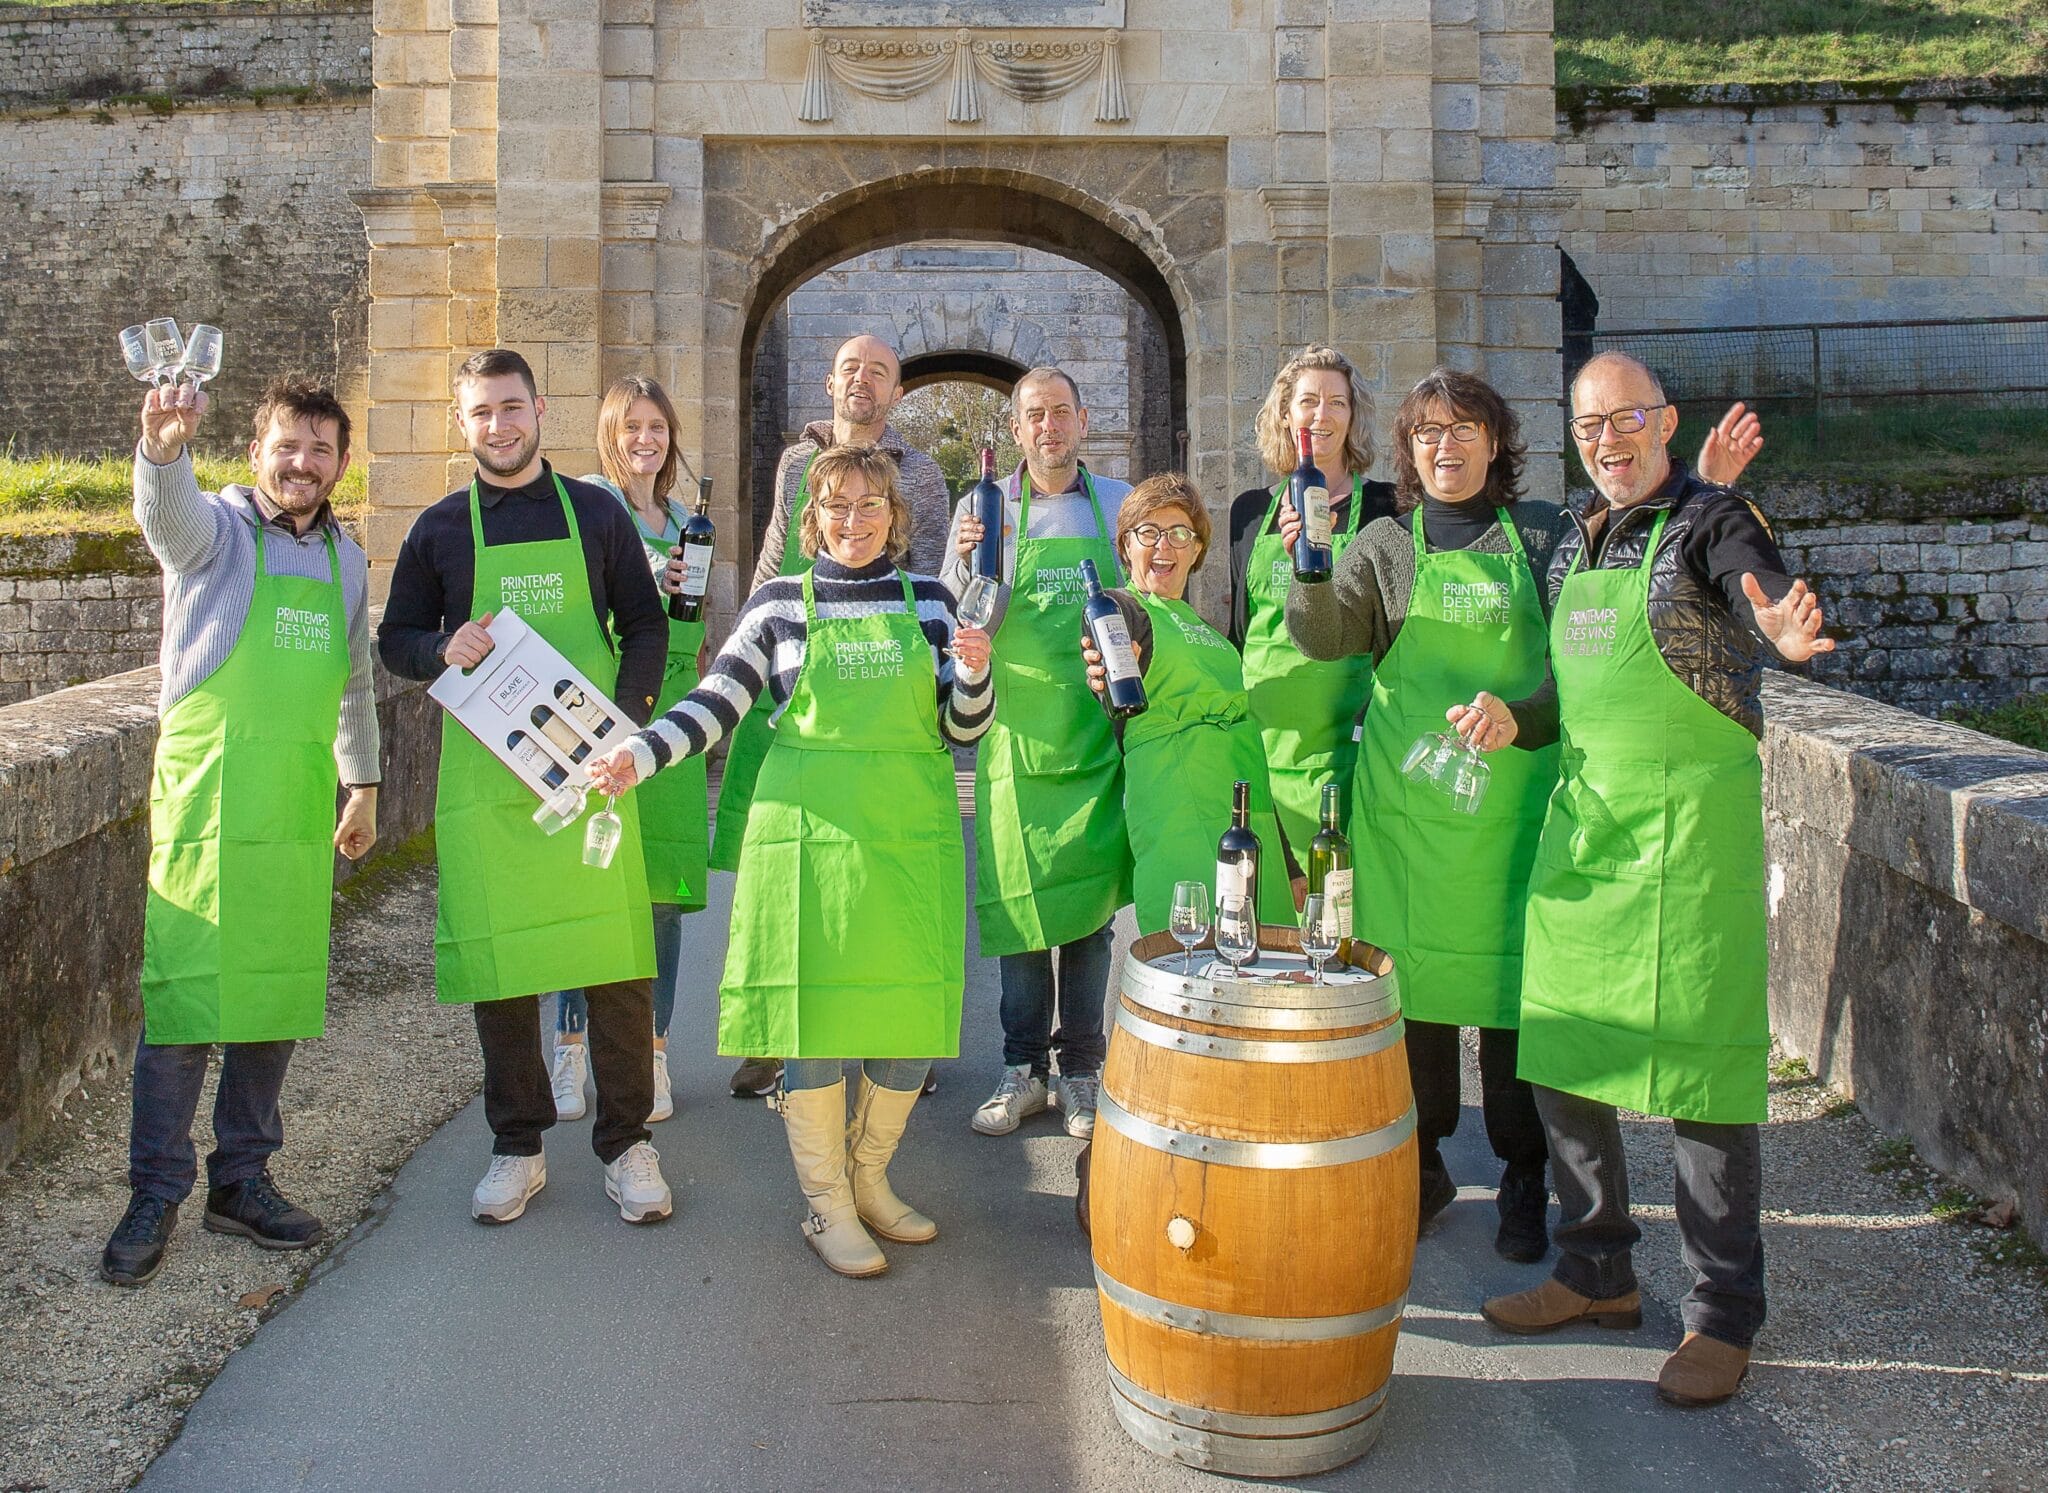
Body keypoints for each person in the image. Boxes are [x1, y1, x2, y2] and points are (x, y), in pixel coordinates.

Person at [1459, 351, 1832, 1409]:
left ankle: (1720, 1313)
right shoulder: (1573, 538)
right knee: (1559, 1051)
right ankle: (1594, 1271)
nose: (1606, 438)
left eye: (1624, 418)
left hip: (1685, 843)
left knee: (1702, 1081)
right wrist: (1510, 717)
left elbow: (1750, 580)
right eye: (1587, 424)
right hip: (1586, 832)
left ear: (1663, 421)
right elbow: (1557, 694)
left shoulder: (1710, 520)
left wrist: (1773, 621)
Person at [587, 445, 994, 1278]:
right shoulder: (779, 603)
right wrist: (643, 751)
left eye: (869, 503)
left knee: (909, 1021)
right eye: (836, 505)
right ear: (812, 517)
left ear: (895, 515)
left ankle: (870, 1177)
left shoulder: (931, 600)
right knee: (814, 1023)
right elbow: (718, 698)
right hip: (806, 845)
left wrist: (976, 676)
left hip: (907, 846)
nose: (853, 519)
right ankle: (827, 1202)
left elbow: (963, 730)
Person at [378, 348, 674, 1227]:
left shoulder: (596, 514)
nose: (499, 426)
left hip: (590, 772)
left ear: (540, 408)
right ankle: (518, 1145)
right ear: (461, 421)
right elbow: (396, 639)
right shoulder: (436, 529)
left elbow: (646, 625)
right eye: (481, 413)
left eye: (512, 407)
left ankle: (627, 1144)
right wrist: (440, 649)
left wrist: (626, 728)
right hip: (487, 787)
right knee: (501, 967)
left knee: (615, 962)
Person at [102, 375, 380, 1287]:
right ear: (258, 451)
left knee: (272, 998)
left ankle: (242, 1178)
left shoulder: (346, 561)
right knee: (183, 1003)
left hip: (296, 808)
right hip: (208, 804)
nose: (303, 464)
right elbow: (166, 521)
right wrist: (163, 451)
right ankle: (155, 1190)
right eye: (287, 446)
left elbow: (354, 685)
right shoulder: (217, 533)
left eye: (321, 450)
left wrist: (364, 783)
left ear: (341, 463)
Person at [1284, 368, 1567, 1263]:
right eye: (1428, 434)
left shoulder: (1545, 533)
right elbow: (1326, 637)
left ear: (1496, 442)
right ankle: (1423, 1162)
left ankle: (1528, 1174)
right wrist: (1307, 565)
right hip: (1408, 813)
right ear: (1407, 452)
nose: (1447, 448)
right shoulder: (1383, 542)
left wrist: (1525, 715)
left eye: (1465, 429)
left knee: (1516, 997)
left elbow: (1586, 668)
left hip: (1513, 810)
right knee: (1418, 999)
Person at [715, 333, 952, 1100]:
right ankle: (779, 1031)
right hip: (794, 656)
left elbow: (929, 573)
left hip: (880, 667)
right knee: (780, 862)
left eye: (879, 372)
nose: (863, 381)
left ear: (897, 393)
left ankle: (893, 1036)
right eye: (852, 367)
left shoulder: (922, 472)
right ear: (831, 382)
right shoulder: (795, 464)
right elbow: (775, 555)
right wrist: (751, 628)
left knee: (880, 873)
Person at [942, 366, 1134, 1142]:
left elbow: (1150, 594)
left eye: (1061, 412)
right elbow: (963, 611)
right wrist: (962, 560)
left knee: (1087, 917)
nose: (1049, 426)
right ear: (1015, 431)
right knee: (1018, 911)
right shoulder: (980, 508)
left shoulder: (1118, 505)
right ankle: (1021, 1067)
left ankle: (1082, 1069)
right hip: (1015, 739)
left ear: (1082, 421)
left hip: (1094, 738)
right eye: (1034, 416)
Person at [546, 377, 709, 1127]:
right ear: (609, 433)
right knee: (594, 886)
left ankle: (653, 1050)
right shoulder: (589, 505)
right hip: (607, 708)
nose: (646, 439)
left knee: (662, 901)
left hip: (670, 717)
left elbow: (694, 625)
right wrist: (649, 578)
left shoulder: (683, 519)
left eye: (657, 427)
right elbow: (577, 599)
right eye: (631, 426)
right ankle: (572, 1045)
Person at [1080, 473, 1295, 934]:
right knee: (1194, 964)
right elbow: (1112, 668)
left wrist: (1291, 863)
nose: (1164, 547)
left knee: (1269, 971)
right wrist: (1106, 677)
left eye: (1179, 534)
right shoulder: (1122, 609)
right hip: (1176, 804)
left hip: (1248, 807)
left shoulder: (1209, 629)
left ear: (1197, 550)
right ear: (1125, 547)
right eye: (1148, 533)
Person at [1225, 345, 1397, 875]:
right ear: (1286, 414)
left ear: (1353, 416)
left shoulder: (1390, 508)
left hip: (1349, 751)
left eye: (1336, 403)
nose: (1321, 415)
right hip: (1260, 752)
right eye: (1307, 402)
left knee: (1337, 911)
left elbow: (1395, 640)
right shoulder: (1251, 513)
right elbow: (1239, 634)